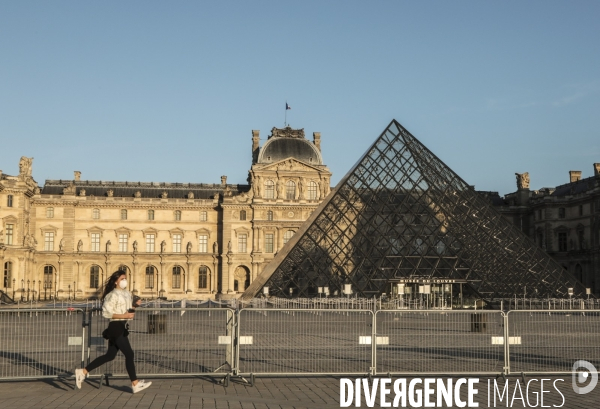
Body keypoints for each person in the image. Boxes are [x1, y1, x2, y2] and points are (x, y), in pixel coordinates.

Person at [75, 271, 151, 393]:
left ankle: (82, 371)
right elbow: (106, 313)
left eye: (125, 278)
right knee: (129, 354)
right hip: (116, 327)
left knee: (110, 356)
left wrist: (135, 305)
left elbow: (128, 308)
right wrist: (124, 315)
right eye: (122, 279)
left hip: (122, 326)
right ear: (116, 281)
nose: (124, 281)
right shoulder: (111, 295)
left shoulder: (127, 293)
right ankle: (135, 383)